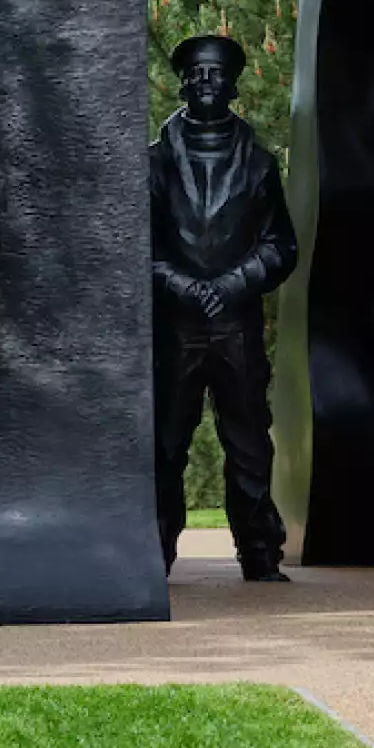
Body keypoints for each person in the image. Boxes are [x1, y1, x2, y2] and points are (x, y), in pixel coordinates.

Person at [150, 34, 297, 581]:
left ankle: (259, 552)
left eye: (215, 73)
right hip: (177, 327)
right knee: (166, 446)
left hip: (236, 326)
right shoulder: (155, 164)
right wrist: (183, 286)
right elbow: (137, 245)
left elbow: (281, 245)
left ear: (233, 86)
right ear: (182, 85)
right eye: (196, 74)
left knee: (249, 444)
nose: (205, 82)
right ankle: (154, 550)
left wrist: (234, 284)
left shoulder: (258, 164)